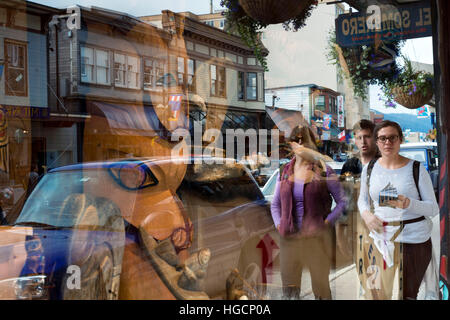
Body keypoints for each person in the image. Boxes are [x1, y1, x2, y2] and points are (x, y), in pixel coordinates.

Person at [357, 120, 439, 300]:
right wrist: (366, 214)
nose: (388, 142)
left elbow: (433, 208)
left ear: (400, 140)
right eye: (383, 138)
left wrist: (409, 203)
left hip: (414, 242)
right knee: (376, 293)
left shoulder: (416, 169)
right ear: (377, 142)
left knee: (407, 295)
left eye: (392, 138)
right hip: (379, 240)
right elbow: (362, 200)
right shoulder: (369, 168)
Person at [270, 125, 346, 300]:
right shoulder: (284, 172)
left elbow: (342, 202)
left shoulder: (323, 170)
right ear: (290, 144)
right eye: (296, 139)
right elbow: (275, 204)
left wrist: (326, 222)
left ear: (311, 143)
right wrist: (279, 223)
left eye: (304, 139)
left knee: (321, 290)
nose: (300, 143)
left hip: (316, 241)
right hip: (289, 240)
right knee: (289, 292)